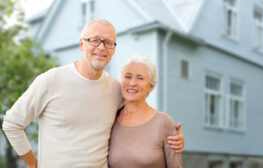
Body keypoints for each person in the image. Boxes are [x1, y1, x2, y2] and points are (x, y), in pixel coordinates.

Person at [2, 20, 184, 168]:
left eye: (108, 42)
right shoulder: (52, 80)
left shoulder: (115, 89)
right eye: (94, 40)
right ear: (82, 44)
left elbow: (138, 118)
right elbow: (11, 124)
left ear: (113, 50)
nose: (101, 47)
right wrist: (33, 164)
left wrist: (172, 140)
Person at [108, 54, 183, 168]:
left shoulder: (163, 122)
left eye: (140, 78)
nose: (132, 83)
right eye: (128, 76)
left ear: (150, 86)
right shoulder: (111, 120)